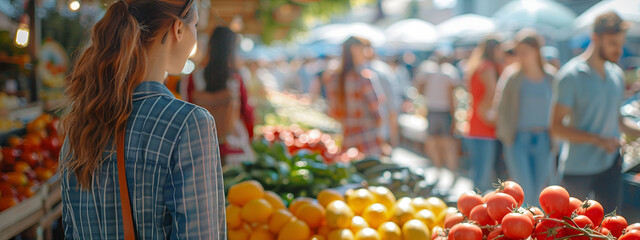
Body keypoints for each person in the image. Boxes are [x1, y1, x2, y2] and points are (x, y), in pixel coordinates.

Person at [59, 0, 226, 239]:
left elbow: (71, 231)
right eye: (195, 26)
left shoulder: (80, 125)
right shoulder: (188, 124)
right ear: (177, 29)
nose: (196, 36)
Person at [551, 11, 640, 212]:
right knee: (571, 228)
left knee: (609, 226)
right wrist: (599, 140)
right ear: (595, 38)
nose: (619, 49)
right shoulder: (570, 76)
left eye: (620, 43)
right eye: (612, 43)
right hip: (577, 169)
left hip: (611, 166)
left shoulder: (616, 74)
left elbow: (617, 119)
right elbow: (556, 128)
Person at [494, 29, 554, 206]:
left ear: (536, 50)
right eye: (519, 51)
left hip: (544, 137)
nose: (521, 55)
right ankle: (523, 227)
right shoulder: (512, 76)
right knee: (524, 187)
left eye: (525, 51)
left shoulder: (550, 76)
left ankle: (535, 228)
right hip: (518, 138)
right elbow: (500, 107)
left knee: (540, 189)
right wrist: (506, 137)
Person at [189, 26, 254, 165]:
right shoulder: (236, 77)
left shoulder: (193, 77)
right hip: (233, 143)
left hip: (201, 144)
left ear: (210, 45)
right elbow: (247, 112)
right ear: (232, 48)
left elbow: (187, 108)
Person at [327, 36, 385, 156]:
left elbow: (334, 112)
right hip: (367, 139)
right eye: (364, 49)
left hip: (347, 139)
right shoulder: (364, 77)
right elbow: (377, 113)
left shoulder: (334, 78)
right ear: (355, 50)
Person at [464, 36, 503, 192]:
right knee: (483, 176)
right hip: (484, 128)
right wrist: (491, 119)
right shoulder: (487, 67)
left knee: (479, 172)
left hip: (475, 125)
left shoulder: (478, 65)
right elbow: (490, 95)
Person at [415, 53, 461, 176]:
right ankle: (451, 170)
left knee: (434, 141)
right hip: (444, 111)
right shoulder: (449, 72)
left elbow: (419, 89)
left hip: (432, 109)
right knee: (447, 142)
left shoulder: (428, 71)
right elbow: (451, 96)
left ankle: (439, 168)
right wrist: (454, 116)